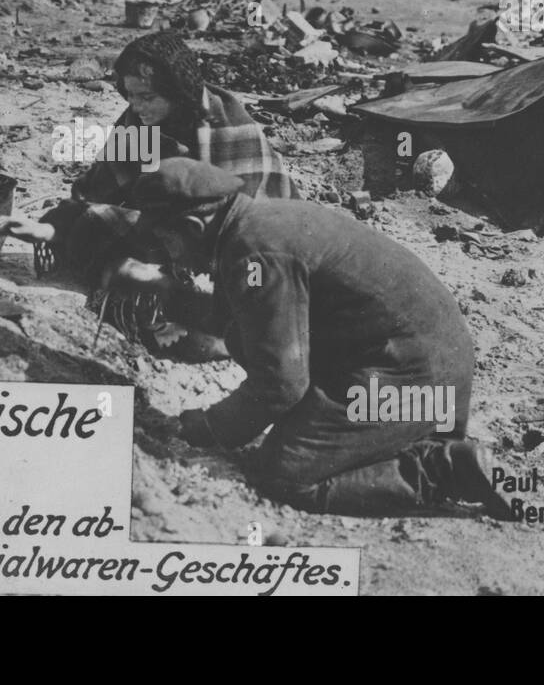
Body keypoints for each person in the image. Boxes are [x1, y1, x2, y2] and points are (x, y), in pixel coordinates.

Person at [121, 158, 511, 518]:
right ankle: (406, 442)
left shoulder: (253, 254)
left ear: (193, 228)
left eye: (166, 243)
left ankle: (443, 469)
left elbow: (280, 385)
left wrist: (209, 427)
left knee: (285, 473)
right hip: (428, 367)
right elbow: (235, 320)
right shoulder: (254, 226)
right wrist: (165, 295)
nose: (168, 258)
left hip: (411, 378)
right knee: (244, 337)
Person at [0, 31, 296, 352]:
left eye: (147, 97)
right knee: (94, 222)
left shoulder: (224, 129)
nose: (136, 107)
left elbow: (245, 223)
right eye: (130, 96)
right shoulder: (141, 123)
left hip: (257, 242)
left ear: (178, 92)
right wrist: (52, 226)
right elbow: (98, 186)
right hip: (183, 224)